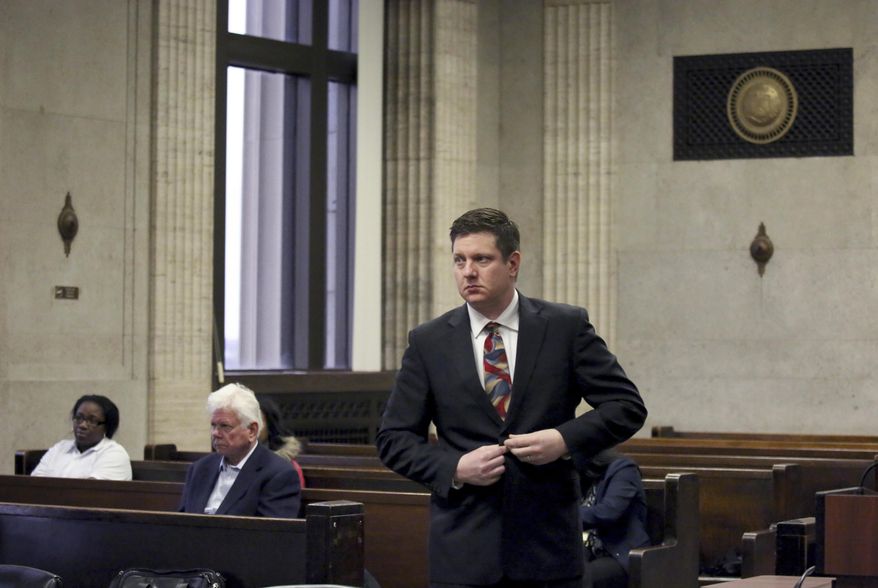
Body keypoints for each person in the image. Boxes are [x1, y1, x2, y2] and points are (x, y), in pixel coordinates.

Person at [376, 207, 647, 588]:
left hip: (548, 552)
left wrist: (563, 440)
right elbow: (394, 439)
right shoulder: (429, 341)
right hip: (464, 552)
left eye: (482, 259)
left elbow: (626, 407)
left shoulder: (563, 327)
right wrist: (455, 468)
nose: (468, 271)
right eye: (459, 260)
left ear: (513, 262)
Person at [178, 383, 301, 517]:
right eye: (213, 425)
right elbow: (181, 523)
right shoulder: (200, 468)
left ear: (252, 431)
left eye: (225, 426)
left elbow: (272, 534)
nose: (215, 433)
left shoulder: (278, 474)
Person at [577, 450, 650, 588]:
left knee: (581, 579)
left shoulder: (624, 469)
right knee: (552, 572)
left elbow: (608, 512)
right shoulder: (581, 474)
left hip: (620, 554)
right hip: (591, 549)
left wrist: (565, 516)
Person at [32, 394, 132, 480]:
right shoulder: (59, 448)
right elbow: (34, 484)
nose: (82, 425)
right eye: (79, 418)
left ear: (107, 427)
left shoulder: (114, 454)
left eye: (92, 421)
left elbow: (89, 492)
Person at [257, 395, 306, 490]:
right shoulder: (235, 459)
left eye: (259, 421)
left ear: (270, 424)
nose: (253, 427)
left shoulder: (286, 465)